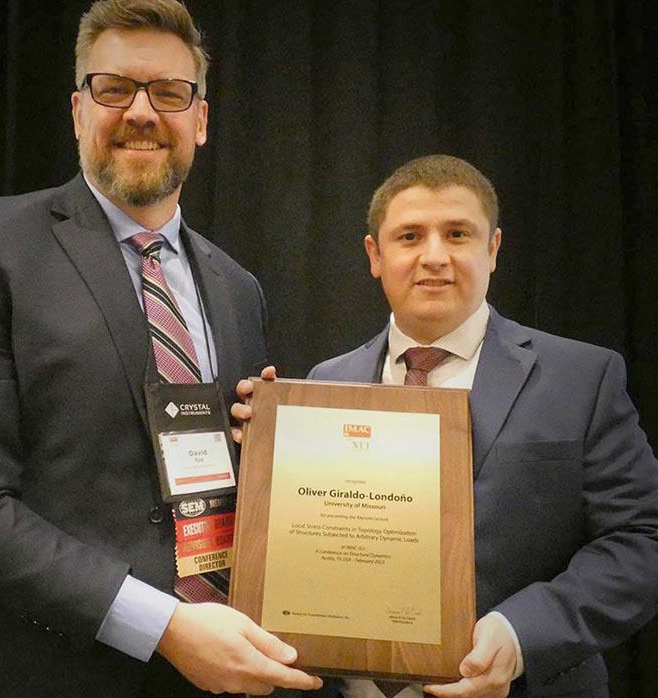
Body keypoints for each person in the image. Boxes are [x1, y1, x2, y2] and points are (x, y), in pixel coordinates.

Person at [0, 1, 324, 696]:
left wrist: (262, 452)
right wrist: (166, 627)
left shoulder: (238, 288)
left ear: (200, 120)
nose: (142, 111)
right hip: (10, 670)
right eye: (115, 88)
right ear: (78, 111)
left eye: (170, 93)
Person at [234, 154, 658, 698]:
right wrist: (262, 453)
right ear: (375, 256)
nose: (433, 256)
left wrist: (520, 634)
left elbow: (641, 540)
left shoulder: (583, 378)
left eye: (457, 233)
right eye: (409, 236)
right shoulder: (323, 384)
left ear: (493, 249)